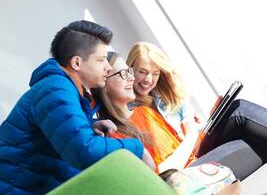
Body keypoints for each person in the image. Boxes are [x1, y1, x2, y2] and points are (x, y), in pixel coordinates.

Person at [0, 21, 154, 195]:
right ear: (77, 62)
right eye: (101, 60)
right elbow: (83, 151)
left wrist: (90, 126)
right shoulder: (56, 90)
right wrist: (138, 149)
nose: (108, 67)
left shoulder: (65, 89)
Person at [92, 51, 264, 180]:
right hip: (181, 178)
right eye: (123, 74)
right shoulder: (113, 136)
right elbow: (159, 175)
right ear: (103, 84)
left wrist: (204, 125)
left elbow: (179, 145)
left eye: (129, 71)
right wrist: (191, 135)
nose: (131, 78)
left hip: (195, 159)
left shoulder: (144, 110)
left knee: (242, 120)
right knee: (240, 112)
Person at [126, 42, 267, 159]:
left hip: (199, 144)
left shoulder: (165, 96)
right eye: (142, 72)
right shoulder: (133, 111)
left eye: (155, 73)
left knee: (249, 135)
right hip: (190, 158)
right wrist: (191, 134)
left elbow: (193, 129)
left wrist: (207, 121)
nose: (148, 80)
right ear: (129, 69)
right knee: (239, 112)